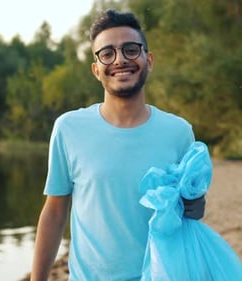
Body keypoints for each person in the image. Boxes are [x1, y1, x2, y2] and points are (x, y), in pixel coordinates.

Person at [30, 9, 205, 281]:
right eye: (107, 53)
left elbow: (190, 210)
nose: (120, 60)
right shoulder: (68, 128)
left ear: (149, 59)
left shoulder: (179, 132)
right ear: (96, 69)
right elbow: (54, 211)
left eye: (131, 50)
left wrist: (196, 204)